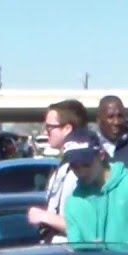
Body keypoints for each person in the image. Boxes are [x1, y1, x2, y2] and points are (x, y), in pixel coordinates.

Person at [62, 127, 128, 247]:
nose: (81, 172)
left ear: (101, 155)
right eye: (74, 167)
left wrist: (108, 253)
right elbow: (76, 247)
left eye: (86, 165)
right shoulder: (73, 202)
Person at [27, 99, 87, 242]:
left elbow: (87, 228)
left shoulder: (83, 169)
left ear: (67, 129)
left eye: (49, 128)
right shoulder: (64, 165)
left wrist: (45, 216)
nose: (45, 132)